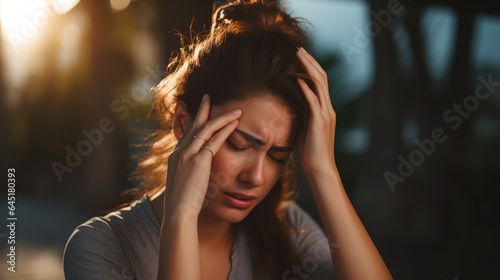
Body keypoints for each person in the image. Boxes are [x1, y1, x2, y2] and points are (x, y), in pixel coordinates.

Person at [63, 1, 393, 279]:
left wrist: (324, 171)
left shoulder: (290, 230)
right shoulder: (100, 247)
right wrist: (181, 218)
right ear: (183, 122)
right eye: (238, 144)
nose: (256, 177)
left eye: (279, 155)